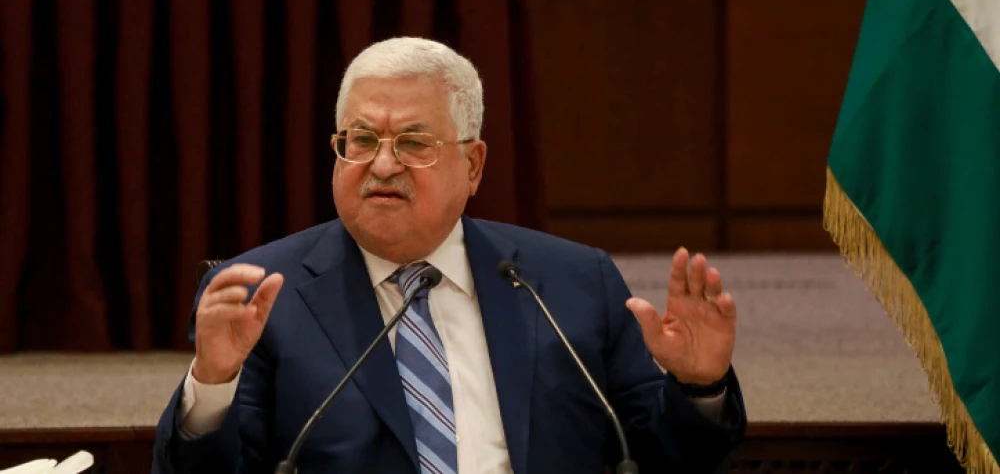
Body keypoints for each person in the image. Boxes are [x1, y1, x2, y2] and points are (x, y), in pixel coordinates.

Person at [151, 37, 747, 474]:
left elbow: (662, 460)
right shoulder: (262, 297)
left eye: (413, 142)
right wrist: (212, 385)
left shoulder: (571, 282)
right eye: (361, 140)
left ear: (474, 165)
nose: (383, 164)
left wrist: (699, 388)